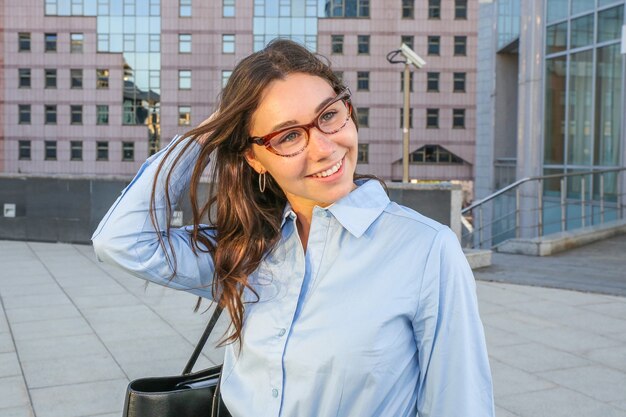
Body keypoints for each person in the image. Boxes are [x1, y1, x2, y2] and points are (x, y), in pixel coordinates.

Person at [92, 39, 494, 417]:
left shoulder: (426, 250)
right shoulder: (246, 247)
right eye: (288, 136)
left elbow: (460, 403)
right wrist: (209, 133)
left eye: (329, 116)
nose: (323, 148)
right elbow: (121, 240)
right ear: (254, 158)